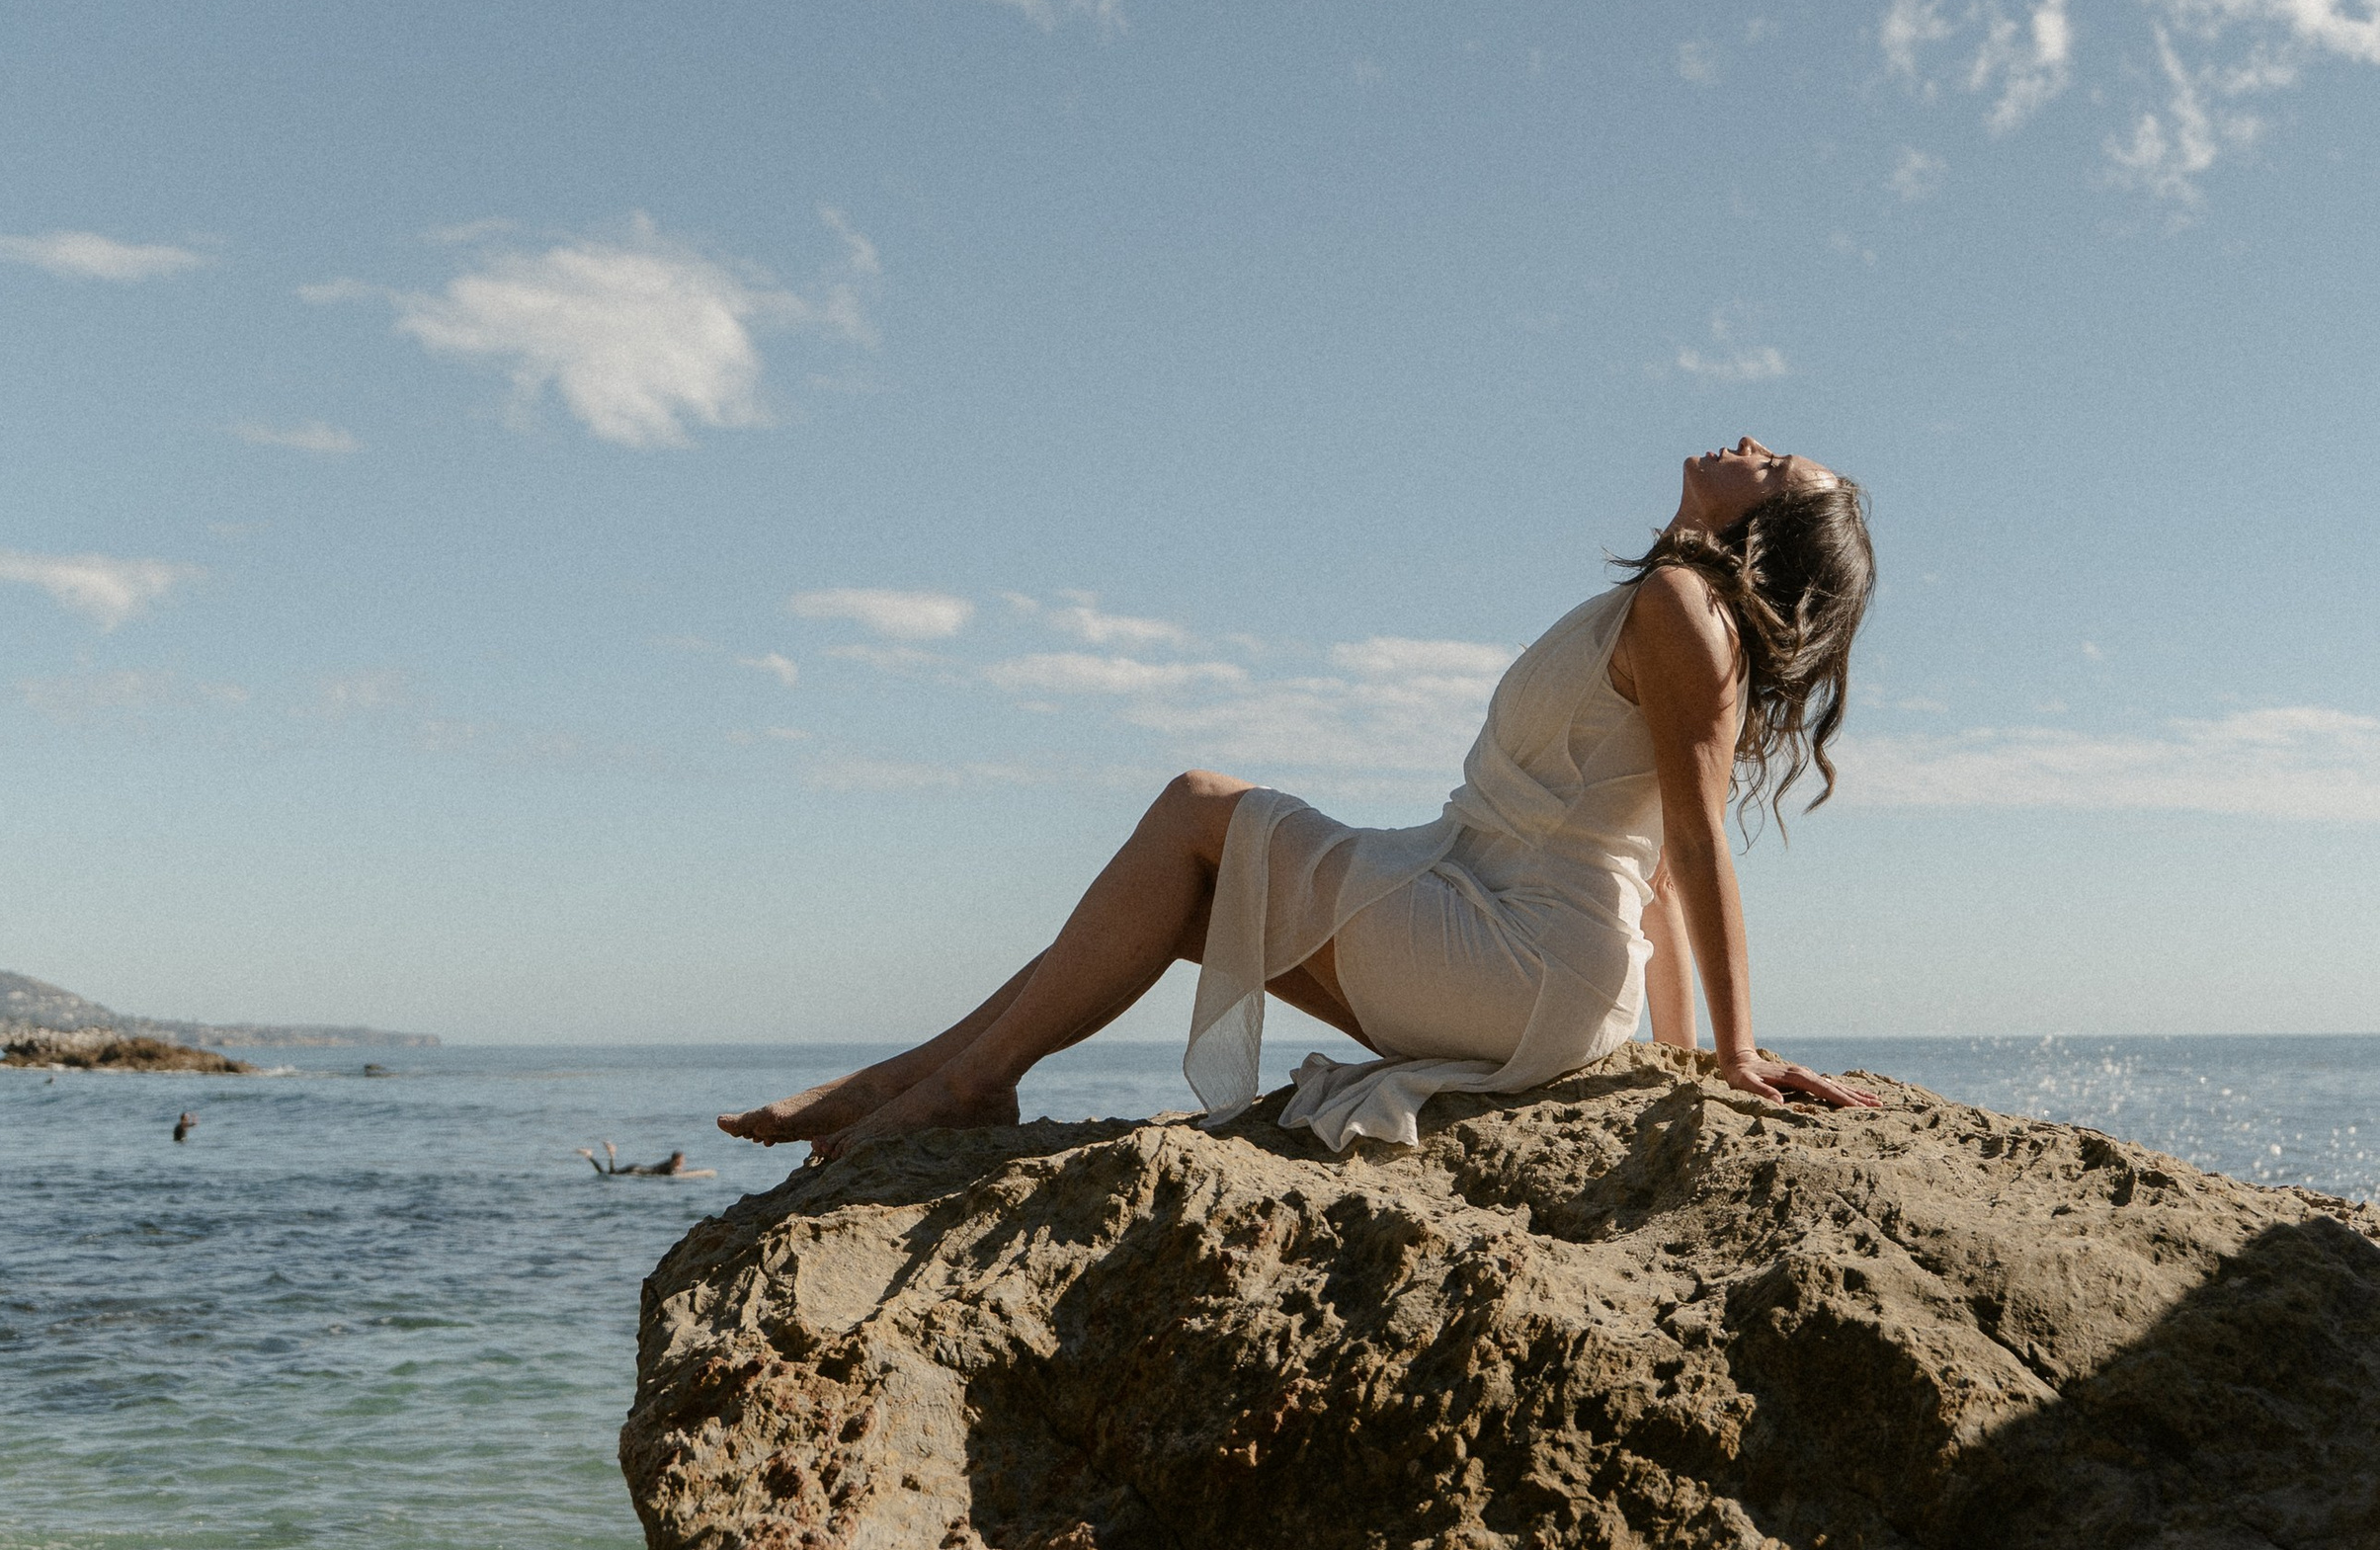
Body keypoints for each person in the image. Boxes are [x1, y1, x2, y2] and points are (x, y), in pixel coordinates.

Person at [721, 438, 1880, 1165]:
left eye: (1774, 468)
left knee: (1197, 806)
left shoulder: (1684, 610)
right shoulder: (1666, 605)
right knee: (1184, 901)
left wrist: (1726, 1054)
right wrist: (1671, 1052)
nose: (1749, 444)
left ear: (1763, 532)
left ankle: (959, 1081)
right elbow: (1656, 863)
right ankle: (930, 1078)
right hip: (1496, 922)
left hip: (1519, 951)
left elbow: (1691, 843)